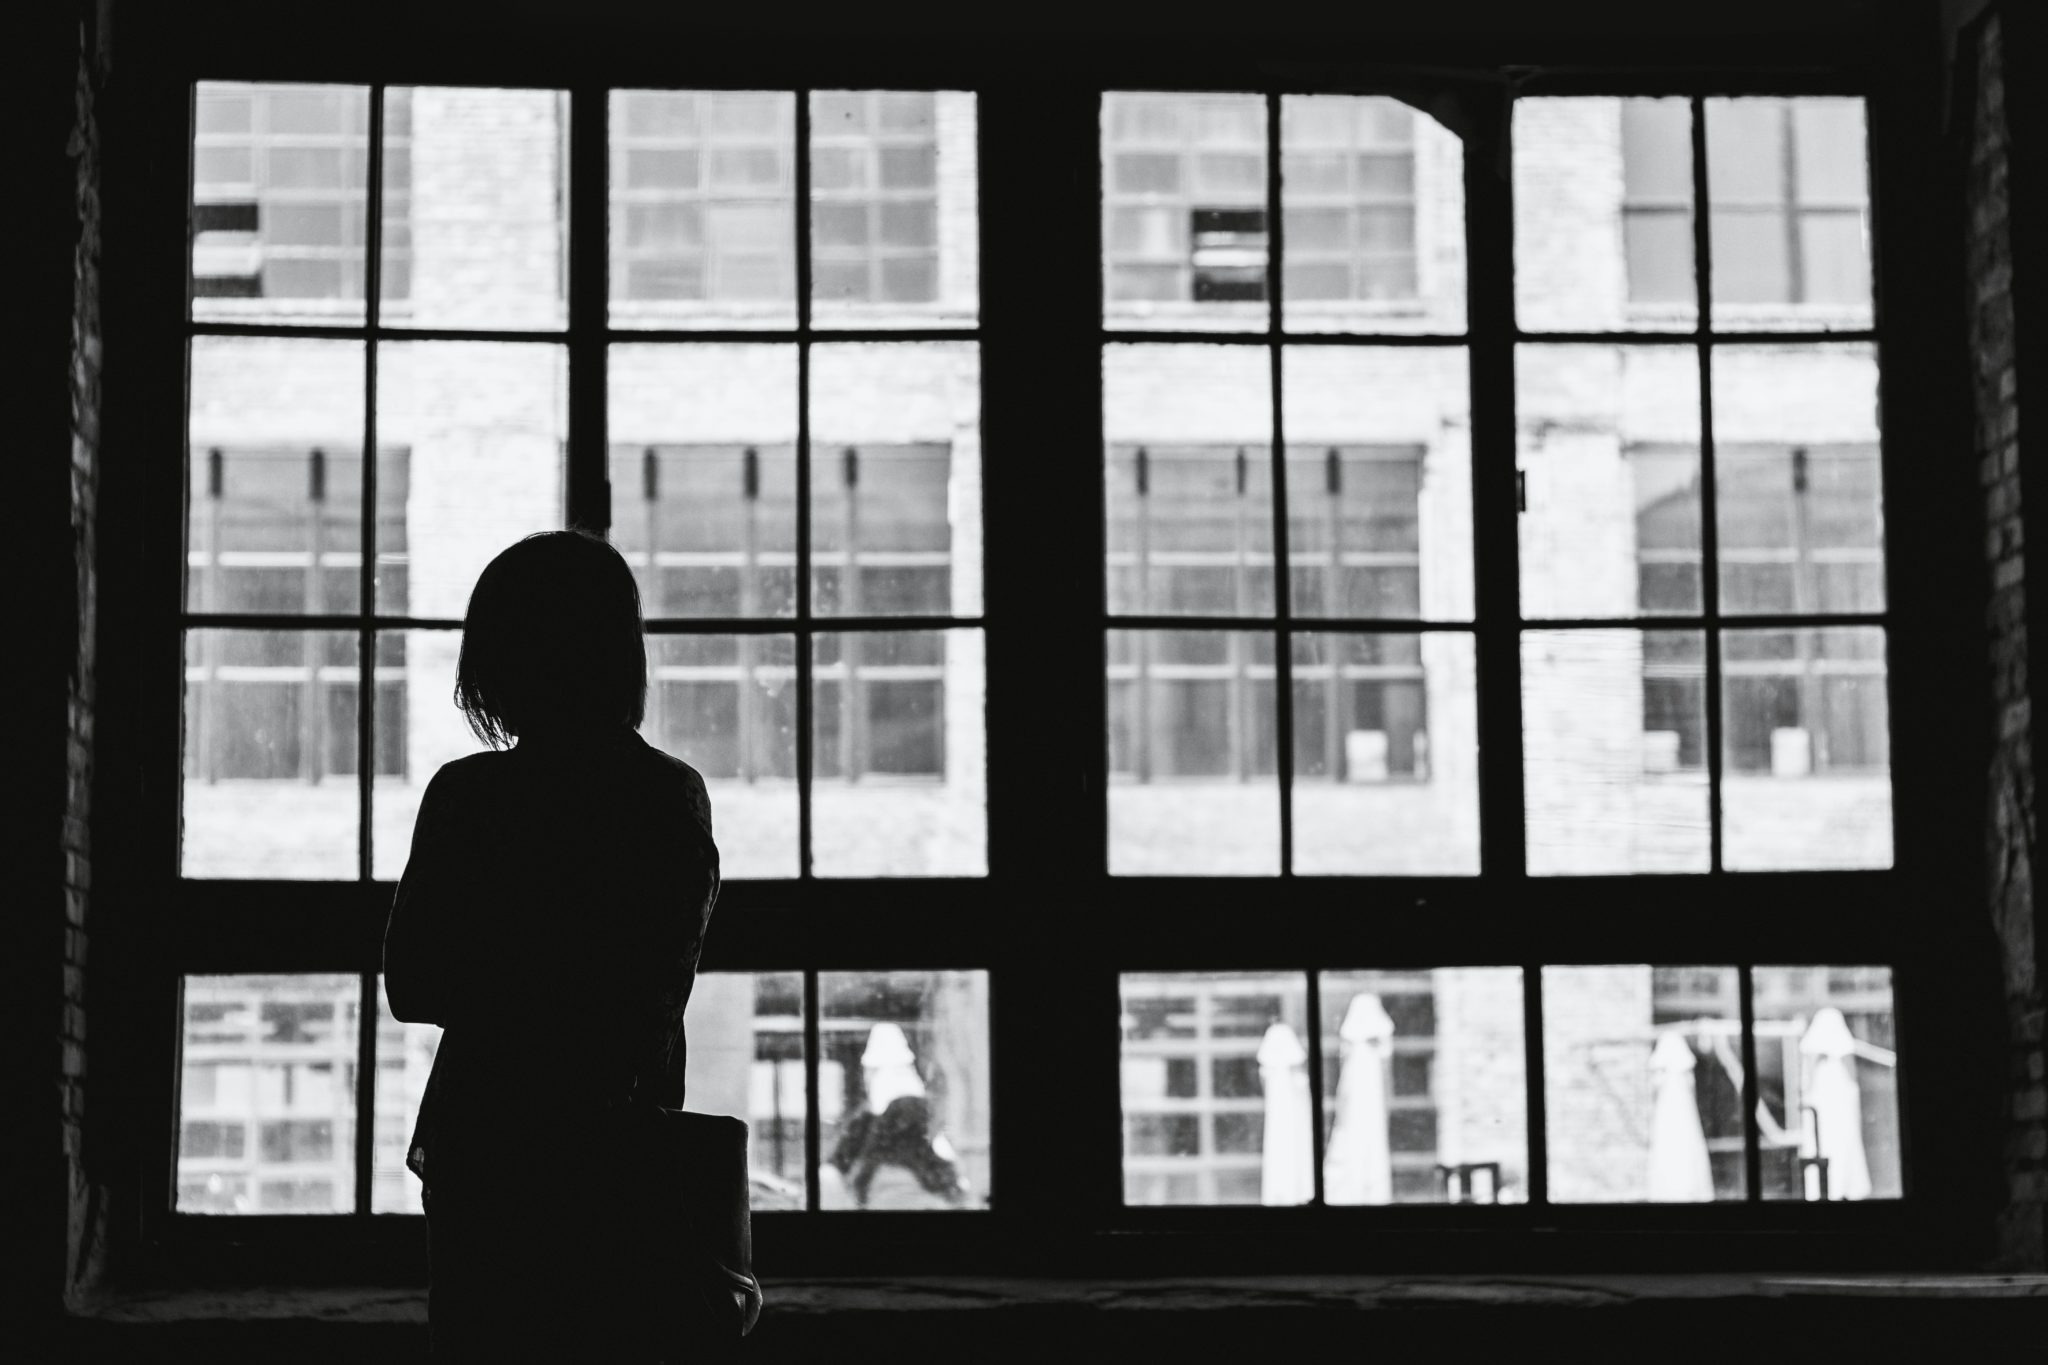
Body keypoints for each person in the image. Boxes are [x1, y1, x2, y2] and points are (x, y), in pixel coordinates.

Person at [383, 530, 722, 1362]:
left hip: (487, 1152)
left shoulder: (467, 798)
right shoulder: (665, 799)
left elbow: (413, 984)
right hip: (619, 1155)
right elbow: (647, 991)